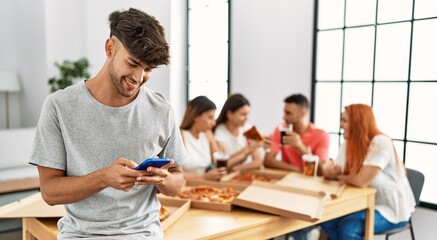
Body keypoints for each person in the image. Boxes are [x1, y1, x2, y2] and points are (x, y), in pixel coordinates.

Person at [29, 8, 188, 239]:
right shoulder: (59, 106)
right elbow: (50, 192)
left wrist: (163, 179)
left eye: (148, 69)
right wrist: (103, 178)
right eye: (133, 63)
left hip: (144, 234)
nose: (139, 77)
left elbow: (178, 181)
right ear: (110, 48)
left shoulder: (162, 109)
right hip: (82, 235)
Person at [320, 104, 416, 239]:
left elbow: (360, 181)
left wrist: (340, 176)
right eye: (341, 120)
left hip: (391, 210)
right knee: (326, 220)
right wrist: (330, 171)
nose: (341, 125)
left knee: (349, 228)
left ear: (358, 123)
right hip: (361, 204)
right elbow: (333, 171)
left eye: (345, 121)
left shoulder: (381, 142)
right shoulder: (348, 144)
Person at [264, 94, 329, 172]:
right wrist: (296, 169)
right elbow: (267, 161)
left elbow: (322, 169)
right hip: (288, 178)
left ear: (302, 113)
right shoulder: (281, 130)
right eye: (284, 112)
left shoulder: (321, 135)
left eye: (288, 113)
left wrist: (300, 146)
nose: (284, 117)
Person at [179, 96, 227, 181]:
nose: (214, 123)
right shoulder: (181, 135)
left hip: (204, 185)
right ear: (196, 116)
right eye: (210, 117)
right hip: (184, 186)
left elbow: (217, 163)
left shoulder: (207, 134)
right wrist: (204, 176)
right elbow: (173, 174)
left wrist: (214, 143)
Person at [214, 93, 262, 171]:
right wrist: (245, 152)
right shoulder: (219, 133)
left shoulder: (249, 129)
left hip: (245, 173)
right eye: (243, 114)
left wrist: (236, 168)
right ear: (230, 114)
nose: (247, 118)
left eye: (248, 114)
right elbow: (223, 165)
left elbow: (258, 162)